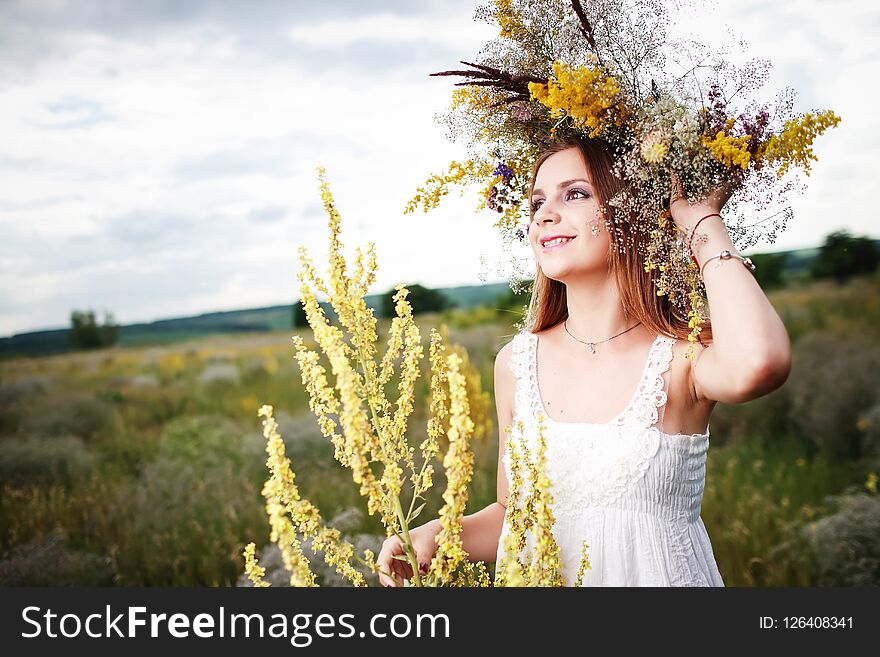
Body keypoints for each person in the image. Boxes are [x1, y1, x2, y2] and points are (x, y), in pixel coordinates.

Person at [376, 136, 792, 587]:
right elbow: (513, 518)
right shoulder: (515, 364)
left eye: (575, 194)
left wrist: (700, 221)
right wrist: (438, 534)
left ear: (631, 212)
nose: (544, 214)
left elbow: (761, 362)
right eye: (537, 201)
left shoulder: (680, 359)